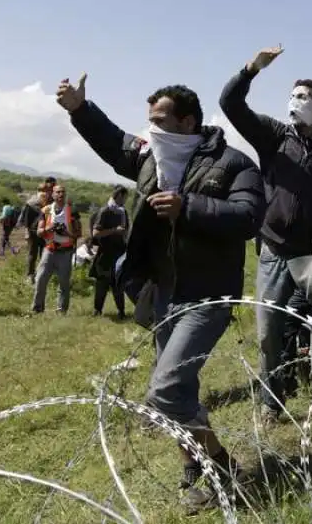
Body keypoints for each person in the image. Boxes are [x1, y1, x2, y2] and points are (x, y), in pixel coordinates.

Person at [57, 73, 265, 512]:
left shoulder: (235, 164)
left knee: (166, 391)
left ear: (188, 122)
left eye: (160, 119)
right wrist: (79, 109)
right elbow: (112, 142)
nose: (150, 128)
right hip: (164, 292)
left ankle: (225, 469)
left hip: (207, 294)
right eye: (148, 119)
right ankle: (194, 464)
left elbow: (248, 216)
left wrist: (187, 207)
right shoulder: (150, 157)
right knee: (180, 387)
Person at [219, 45, 312, 423]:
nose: (295, 101)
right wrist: (251, 69)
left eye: (304, 97)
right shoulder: (273, 136)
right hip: (275, 251)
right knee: (269, 332)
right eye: (293, 95)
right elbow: (230, 103)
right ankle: (271, 403)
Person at [31, 185, 81, 314]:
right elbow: (39, 232)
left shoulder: (72, 211)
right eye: (58, 192)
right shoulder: (46, 210)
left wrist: (67, 233)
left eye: (63, 192)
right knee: (40, 279)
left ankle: (61, 310)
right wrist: (50, 228)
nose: (61, 194)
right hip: (49, 249)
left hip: (66, 251)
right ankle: (37, 308)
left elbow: (78, 233)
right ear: (52, 195)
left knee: (64, 283)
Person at [90, 185, 129, 319]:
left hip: (119, 253)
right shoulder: (105, 211)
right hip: (105, 253)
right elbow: (96, 233)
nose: (125, 200)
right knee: (102, 283)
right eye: (124, 197)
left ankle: (121, 311)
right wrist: (114, 230)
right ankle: (97, 310)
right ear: (119, 196)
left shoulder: (123, 212)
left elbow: (126, 231)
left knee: (118, 283)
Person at [17, 183, 52, 283]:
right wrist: (28, 233)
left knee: (44, 255)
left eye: (48, 191)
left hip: (45, 232)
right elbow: (27, 220)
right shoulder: (31, 203)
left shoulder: (49, 204)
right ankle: (30, 275)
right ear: (39, 191)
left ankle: (41, 274)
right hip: (33, 232)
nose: (46, 193)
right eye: (44, 191)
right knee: (32, 254)